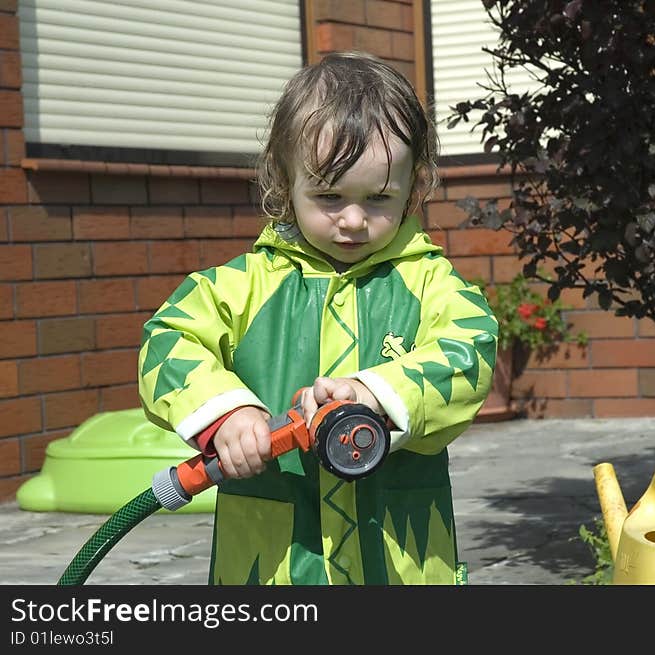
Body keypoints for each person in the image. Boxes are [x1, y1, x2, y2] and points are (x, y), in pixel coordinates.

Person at [137, 51, 498, 585]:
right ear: (285, 182)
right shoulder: (241, 286)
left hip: (400, 557)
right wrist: (226, 415)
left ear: (415, 187)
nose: (353, 221)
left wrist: (377, 393)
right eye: (329, 196)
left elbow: (469, 353)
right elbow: (165, 343)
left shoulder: (433, 285)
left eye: (378, 198)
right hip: (275, 562)